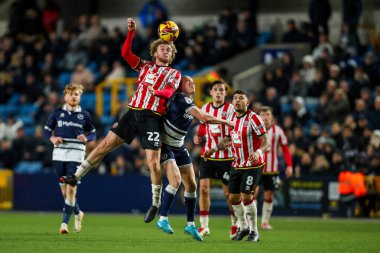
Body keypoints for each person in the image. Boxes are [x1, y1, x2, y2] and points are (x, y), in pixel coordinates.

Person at [61, 18, 181, 223]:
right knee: (104, 145)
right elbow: (126, 54)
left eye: (169, 50)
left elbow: (169, 93)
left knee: (152, 163)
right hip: (133, 113)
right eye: (162, 49)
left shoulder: (174, 73)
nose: (166, 52)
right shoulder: (144, 66)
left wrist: (157, 92)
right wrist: (131, 33)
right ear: (154, 52)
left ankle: (155, 203)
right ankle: (76, 176)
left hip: (153, 118)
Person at [152, 76, 234, 241]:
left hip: (180, 146)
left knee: (191, 185)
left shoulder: (188, 100)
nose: (192, 83)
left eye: (194, 82)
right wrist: (227, 122)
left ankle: (190, 225)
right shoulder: (181, 98)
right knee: (175, 181)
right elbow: (204, 118)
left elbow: (201, 123)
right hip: (166, 145)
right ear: (179, 86)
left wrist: (199, 135)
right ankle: (162, 218)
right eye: (188, 81)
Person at [204, 90, 270, 242]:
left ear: (247, 103)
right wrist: (214, 149)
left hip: (252, 165)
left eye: (241, 98)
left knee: (247, 195)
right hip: (237, 164)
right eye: (235, 98)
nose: (237, 100)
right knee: (233, 197)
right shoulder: (231, 118)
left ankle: (254, 231)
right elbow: (228, 140)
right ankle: (243, 227)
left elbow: (266, 141)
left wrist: (258, 151)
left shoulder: (254, 118)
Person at [43, 83, 96, 234]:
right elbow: (46, 131)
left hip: (76, 155)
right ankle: (78, 213)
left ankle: (64, 224)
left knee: (71, 188)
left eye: (77, 94)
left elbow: (93, 133)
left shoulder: (84, 115)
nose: (74, 97)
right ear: (65, 96)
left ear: (80, 97)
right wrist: (52, 139)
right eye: (71, 94)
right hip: (59, 154)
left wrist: (85, 137)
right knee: (65, 192)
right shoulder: (56, 113)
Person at [193, 80, 237, 238]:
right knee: (203, 189)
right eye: (216, 89)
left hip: (227, 157)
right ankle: (204, 226)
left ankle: (235, 224)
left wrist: (216, 148)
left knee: (229, 195)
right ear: (210, 92)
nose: (219, 92)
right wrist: (199, 135)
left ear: (225, 93)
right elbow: (204, 125)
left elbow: (232, 134)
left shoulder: (231, 109)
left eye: (222, 90)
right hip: (207, 156)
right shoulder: (205, 108)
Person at [253, 106, 293, 230]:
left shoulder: (278, 131)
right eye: (262, 115)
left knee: (269, 194)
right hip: (255, 166)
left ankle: (264, 222)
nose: (265, 118)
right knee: (252, 194)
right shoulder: (254, 130)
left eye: (268, 115)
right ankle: (250, 222)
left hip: (271, 168)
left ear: (272, 117)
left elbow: (285, 148)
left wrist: (290, 165)